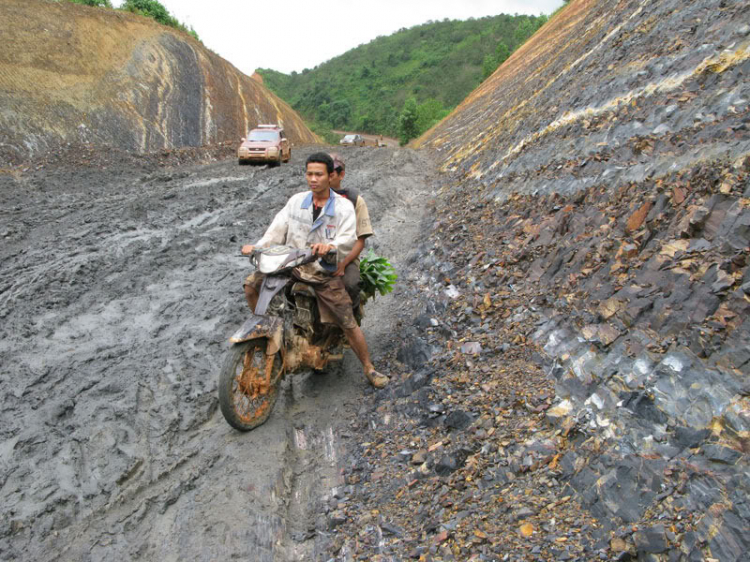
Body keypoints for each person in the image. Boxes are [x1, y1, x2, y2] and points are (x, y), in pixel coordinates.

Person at [241, 152, 389, 389]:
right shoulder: (296, 201)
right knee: (251, 286)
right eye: (309, 173)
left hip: (322, 271)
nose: (313, 179)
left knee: (346, 320)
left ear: (331, 176)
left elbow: (349, 238)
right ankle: (268, 336)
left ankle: (369, 368)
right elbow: (276, 229)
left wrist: (330, 246)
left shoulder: (343, 206)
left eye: (318, 174)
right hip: (291, 264)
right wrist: (258, 246)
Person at [328, 153, 373, 314]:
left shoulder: (355, 201)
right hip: (316, 255)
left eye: (331, 171)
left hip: (345, 257)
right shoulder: (310, 198)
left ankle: (351, 321)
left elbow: (360, 240)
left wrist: (344, 263)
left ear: (341, 174)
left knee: (351, 285)